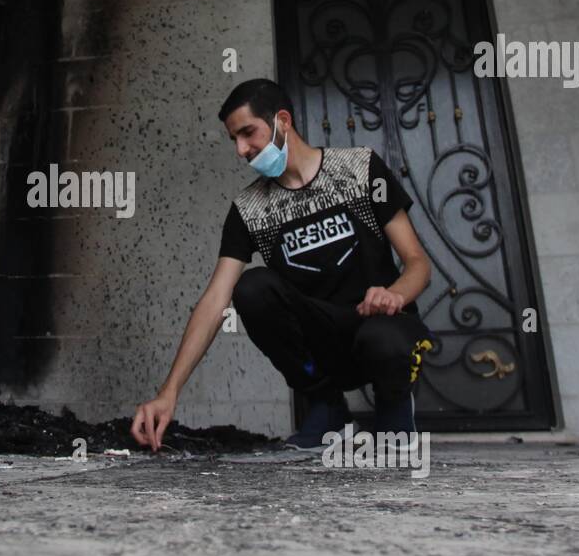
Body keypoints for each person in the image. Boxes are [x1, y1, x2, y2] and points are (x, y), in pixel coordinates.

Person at [130, 78, 434, 453]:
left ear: (283, 120)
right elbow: (215, 301)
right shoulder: (248, 209)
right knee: (251, 286)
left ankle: (394, 405)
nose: (242, 149)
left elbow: (418, 262)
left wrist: (393, 295)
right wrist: (169, 392)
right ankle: (329, 408)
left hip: (380, 328)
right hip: (323, 349)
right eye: (234, 140)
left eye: (248, 133)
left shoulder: (361, 168)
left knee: (383, 339)